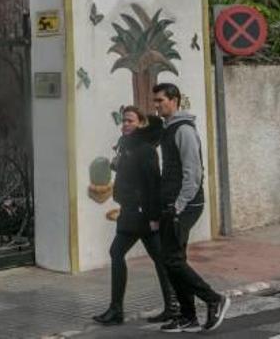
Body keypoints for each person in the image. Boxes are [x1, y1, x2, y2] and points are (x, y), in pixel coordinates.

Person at [152, 83, 230, 333]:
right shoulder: (167, 128)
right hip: (171, 205)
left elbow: (193, 173)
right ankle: (188, 317)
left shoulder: (183, 130)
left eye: (161, 100)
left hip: (184, 204)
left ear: (174, 100)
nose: (157, 105)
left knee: (172, 260)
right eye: (155, 101)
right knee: (172, 259)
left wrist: (178, 205)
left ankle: (214, 299)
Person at [92, 106, 179, 326]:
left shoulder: (145, 149)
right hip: (131, 211)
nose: (125, 124)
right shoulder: (128, 147)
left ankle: (118, 310)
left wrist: (152, 216)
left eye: (130, 120)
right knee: (159, 258)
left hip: (140, 213)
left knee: (120, 252)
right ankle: (171, 307)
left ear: (141, 124)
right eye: (124, 121)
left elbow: (152, 184)